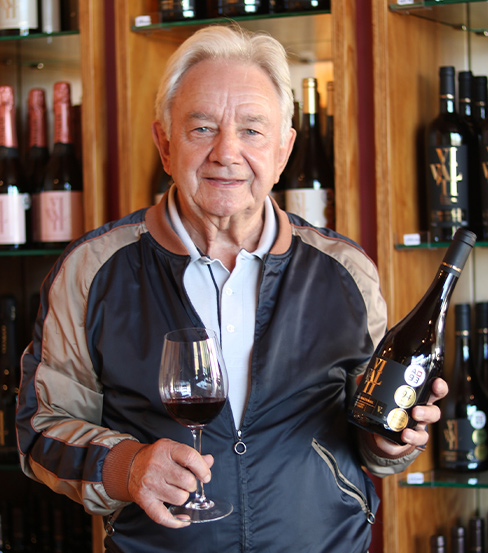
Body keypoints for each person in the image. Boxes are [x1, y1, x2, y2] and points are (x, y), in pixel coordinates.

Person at [16, 23, 447, 553]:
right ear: (164, 143)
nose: (226, 152)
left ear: (284, 150)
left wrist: (389, 438)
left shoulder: (345, 270)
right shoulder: (91, 270)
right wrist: (128, 466)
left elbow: (372, 437)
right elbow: (40, 427)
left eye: (252, 131)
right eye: (201, 128)